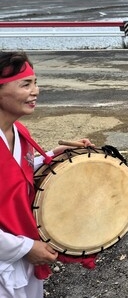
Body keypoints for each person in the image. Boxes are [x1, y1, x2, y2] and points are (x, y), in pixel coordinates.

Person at [0, 51, 94, 298]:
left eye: (35, 82)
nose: (36, 91)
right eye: (26, 84)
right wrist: (24, 248)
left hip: (23, 251)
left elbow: (16, 172)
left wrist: (54, 154)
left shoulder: (17, 130)